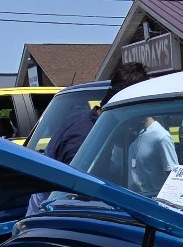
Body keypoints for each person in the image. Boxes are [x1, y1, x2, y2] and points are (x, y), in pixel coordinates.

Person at [25, 62, 149, 216]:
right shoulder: (83, 139)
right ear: (125, 107)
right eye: (137, 118)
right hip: (52, 218)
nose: (138, 126)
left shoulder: (87, 123)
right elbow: (74, 198)